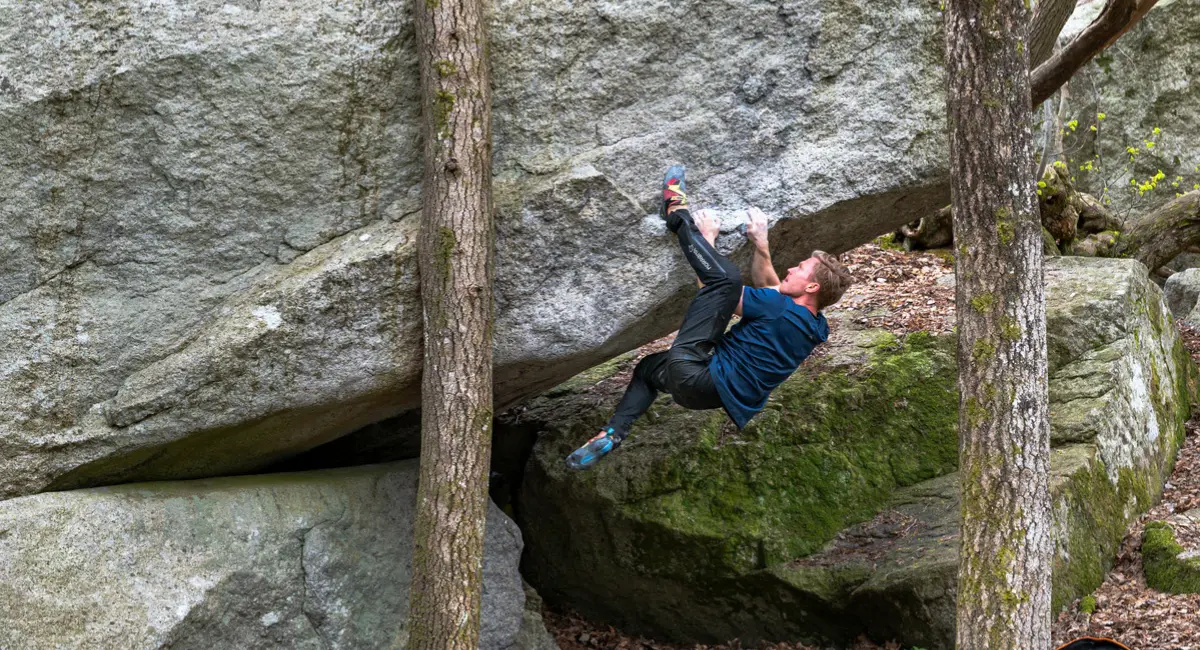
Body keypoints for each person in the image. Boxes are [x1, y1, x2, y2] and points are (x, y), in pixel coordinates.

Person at [565, 165, 854, 470]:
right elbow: (770, 287)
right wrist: (761, 244)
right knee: (648, 370)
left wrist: (707, 239)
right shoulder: (814, 325)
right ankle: (613, 433)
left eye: (800, 268)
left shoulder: (778, 308)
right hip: (704, 396)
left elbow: (716, 293)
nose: (792, 268)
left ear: (811, 286)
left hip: (696, 372)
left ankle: (675, 211)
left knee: (725, 280)